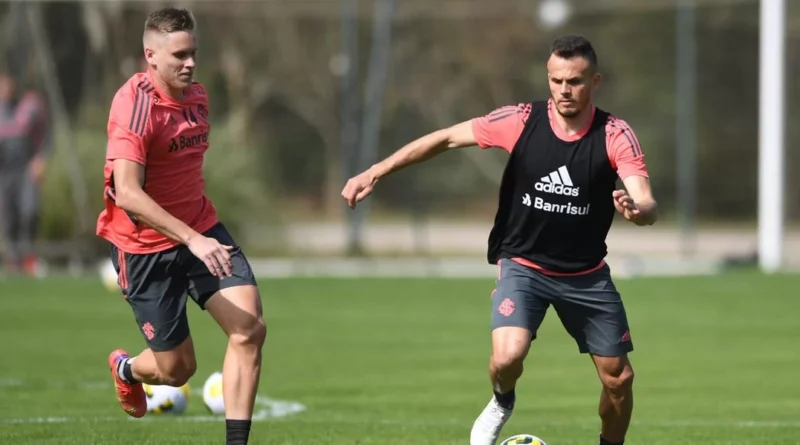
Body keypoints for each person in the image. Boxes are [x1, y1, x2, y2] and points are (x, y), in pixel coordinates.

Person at [341, 35, 656, 445]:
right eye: (557, 80)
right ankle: (502, 400)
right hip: (524, 265)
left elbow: (645, 198)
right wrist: (375, 171)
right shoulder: (521, 120)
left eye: (575, 81)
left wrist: (639, 210)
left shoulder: (614, 133)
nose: (564, 89)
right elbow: (445, 138)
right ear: (548, 78)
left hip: (586, 276)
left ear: (594, 82)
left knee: (619, 379)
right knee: (507, 357)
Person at [96, 8, 266, 445]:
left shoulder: (198, 98)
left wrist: (198, 235)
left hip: (201, 229)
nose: (190, 63)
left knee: (249, 329)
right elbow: (127, 192)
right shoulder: (135, 106)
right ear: (150, 55)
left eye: (193, 53)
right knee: (177, 370)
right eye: (179, 56)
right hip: (144, 249)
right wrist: (191, 240)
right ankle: (126, 369)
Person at [0, 73, 49, 276]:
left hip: (26, 168)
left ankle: (29, 257)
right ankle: (13, 259)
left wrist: (41, 159)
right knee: (8, 216)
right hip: (4, 172)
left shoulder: (31, 105)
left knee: (29, 211)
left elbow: (46, 135)